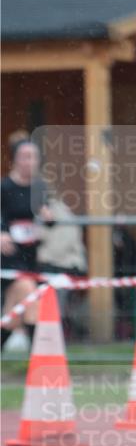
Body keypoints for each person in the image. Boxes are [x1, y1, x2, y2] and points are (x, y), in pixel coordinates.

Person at [1, 138, 54, 351]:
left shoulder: (39, 188)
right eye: (25, 157)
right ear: (15, 160)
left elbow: (48, 220)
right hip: (7, 260)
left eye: (33, 157)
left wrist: (48, 217)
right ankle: (41, 359)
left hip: (29, 258)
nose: (29, 162)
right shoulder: (4, 187)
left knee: (12, 315)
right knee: (32, 300)